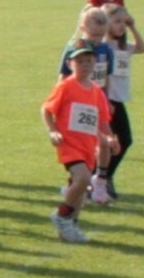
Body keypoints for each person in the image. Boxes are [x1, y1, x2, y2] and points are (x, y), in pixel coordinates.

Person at [44, 45, 115, 244]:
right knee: (84, 178)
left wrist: (110, 138)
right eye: (80, 61)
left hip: (88, 146)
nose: (85, 65)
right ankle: (62, 215)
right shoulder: (66, 86)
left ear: (95, 64)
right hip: (69, 144)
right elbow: (47, 110)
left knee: (81, 190)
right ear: (70, 64)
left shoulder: (97, 92)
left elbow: (102, 121)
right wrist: (53, 130)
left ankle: (70, 226)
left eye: (89, 61)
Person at [98, 4, 144, 199]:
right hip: (108, 99)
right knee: (118, 140)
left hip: (118, 99)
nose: (121, 26)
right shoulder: (104, 46)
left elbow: (142, 48)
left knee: (121, 141)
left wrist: (133, 26)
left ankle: (103, 177)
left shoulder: (123, 46)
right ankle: (101, 178)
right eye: (117, 21)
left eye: (123, 22)